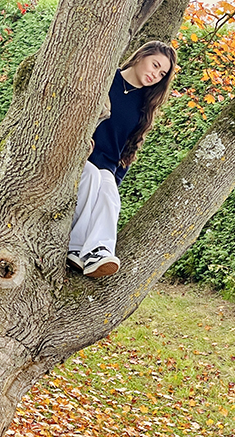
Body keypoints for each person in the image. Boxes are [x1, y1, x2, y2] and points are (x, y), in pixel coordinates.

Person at [67, 41, 176, 278]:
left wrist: (116, 179)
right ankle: (75, 248)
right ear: (141, 56)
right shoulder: (106, 78)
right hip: (78, 157)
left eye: (162, 73)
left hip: (107, 162)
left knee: (109, 191)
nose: (155, 75)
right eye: (155, 65)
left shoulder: (144, 106)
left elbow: (128, 148)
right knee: (92, 177)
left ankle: (99, 250)